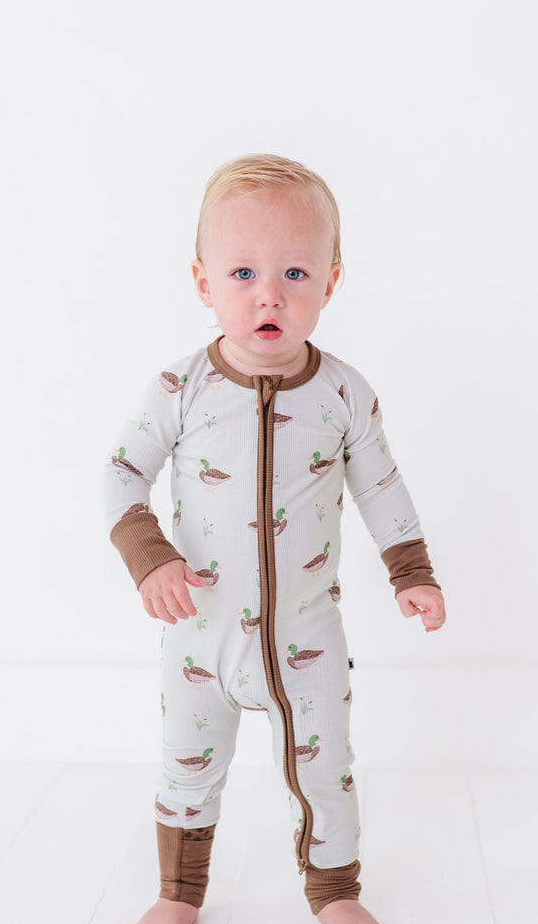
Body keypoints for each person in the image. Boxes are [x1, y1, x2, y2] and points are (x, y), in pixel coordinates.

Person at [102, 154, 446, 924]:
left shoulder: (342, 394)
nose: (268, 293)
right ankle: (178, 894)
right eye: (243, 272)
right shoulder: (180, 389)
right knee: (188, 768)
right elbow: (122, 472)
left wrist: (411, 572)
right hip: (199, 633)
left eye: (295, 273)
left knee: (326, 770)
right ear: (203, 283)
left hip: (307, 636)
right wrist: (148, 557)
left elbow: (382, 488)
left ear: (330, 282)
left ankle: (334, 896)